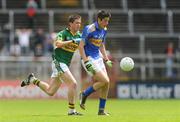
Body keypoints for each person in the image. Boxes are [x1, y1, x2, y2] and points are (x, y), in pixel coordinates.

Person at [21, 14, 82, 115]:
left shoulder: (80, 36)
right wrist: (72, 41)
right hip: (58, 62)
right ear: (70, 24)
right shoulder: (63, 33)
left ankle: (33, 79)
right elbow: (57, 44)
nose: (79, 25)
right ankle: (71, 111)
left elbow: (83, 47)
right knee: (73, 84)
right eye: (76, 23)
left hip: (65, 64)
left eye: (80, 23)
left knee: (50, 91)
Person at [78, 10, 112, 115]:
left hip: (98, 58)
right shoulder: (89, 29)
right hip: (89, 59)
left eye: (108, 21)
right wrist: (86, 61)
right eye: (105, 21)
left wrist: (106, 59)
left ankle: (101, 110)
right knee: (105, 81)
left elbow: (101, 45)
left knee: (106, 83)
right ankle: (84, 94)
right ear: (99, 19)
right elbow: (80, 46)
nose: (107, 23)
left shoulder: (104, 29)